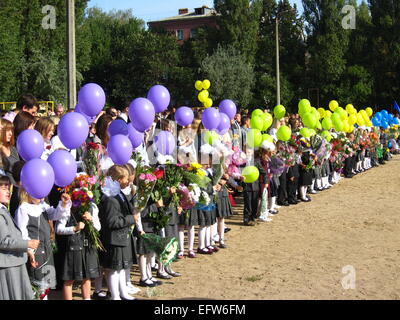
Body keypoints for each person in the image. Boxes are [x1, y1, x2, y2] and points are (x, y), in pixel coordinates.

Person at [15, 188, 72, 300]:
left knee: (45, 286)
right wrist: (29, 251)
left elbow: (56, 215)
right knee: (36, 285)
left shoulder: (43, 205)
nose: (41, 196)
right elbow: (22, 233)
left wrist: (64, 204)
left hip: (46, 250)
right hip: (35, 253)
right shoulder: (23, 208)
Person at [98, 165, 136, 300]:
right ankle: (115, 296)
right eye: (126, 179)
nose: (129, 182)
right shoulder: (110, 198)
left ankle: (123, 293)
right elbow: (112, 221)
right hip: (114, 239)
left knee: (121, 268)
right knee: (114, 270)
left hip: (121, 237)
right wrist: (132, 219)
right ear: (119, 180)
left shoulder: (119, 194)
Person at [55, 191, 101, 300]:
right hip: (74, 247)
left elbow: (98, 227)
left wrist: (91, 220)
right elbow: (59, 229)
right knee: (69, 279)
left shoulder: (92, 206)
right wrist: (74, 228)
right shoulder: (66, 206)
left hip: (88, 246)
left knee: (87, 277)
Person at [0, 175, 39, 300]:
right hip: (8, 266)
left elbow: (13, 236)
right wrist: (27, 244)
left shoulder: (3, 210)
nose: (8, 192)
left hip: (15, 262)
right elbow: (4, 241)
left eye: (9, 189)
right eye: (4, 188)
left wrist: (27, 250)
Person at [0, 119, 19, 185]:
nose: (10, 133)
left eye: (11, 130)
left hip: (16, 187)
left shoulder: (13, 149)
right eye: (7, 130)